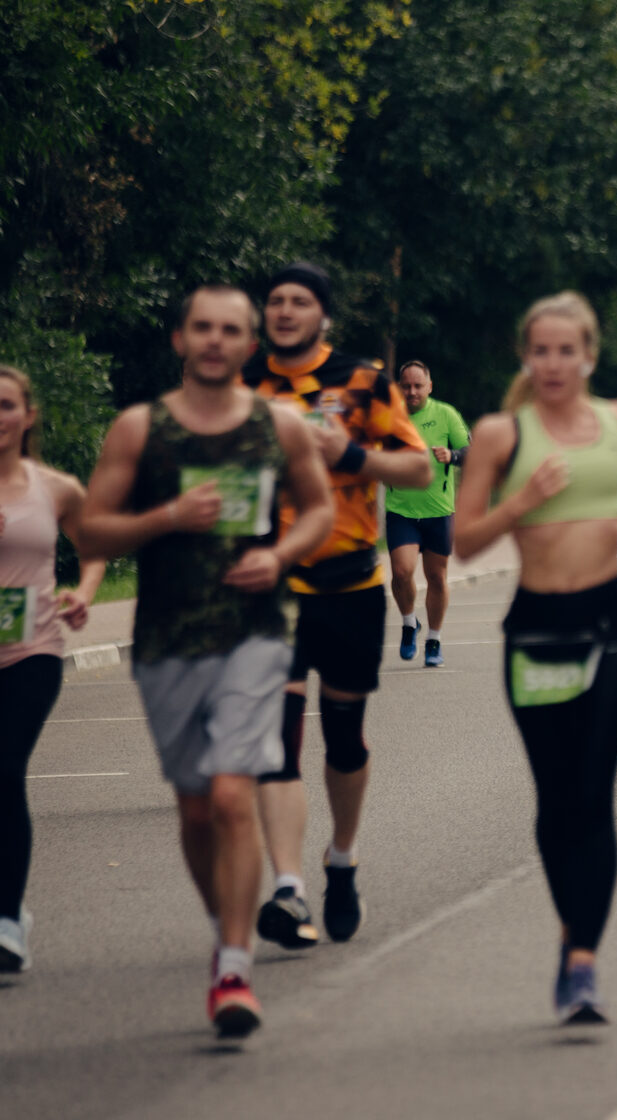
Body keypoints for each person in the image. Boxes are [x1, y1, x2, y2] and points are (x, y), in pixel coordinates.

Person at [80, 286, 334, 1036]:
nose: (216, 341)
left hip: (256, 632)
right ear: (179, 340)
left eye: (231, 330)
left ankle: (233, 964)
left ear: (250, 345)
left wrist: (281, 552)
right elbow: (93, 531)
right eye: (203, 329)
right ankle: (227, 921)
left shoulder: (277, 425)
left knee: (231, 796)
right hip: (165, 641)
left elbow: (320, 509)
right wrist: (165, 518)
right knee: (195, 808)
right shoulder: (140, 429)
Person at [454, 291, 617, 1025]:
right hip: (537, 630)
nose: (552, 363)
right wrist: (523, 502)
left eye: (565, 351)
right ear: (527, 357)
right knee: (557, 802)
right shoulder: (497, 435)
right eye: (539, 351)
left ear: (589, 356)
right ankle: (573, 928)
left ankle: (582, 962)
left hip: (611, 625)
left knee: (594, 792)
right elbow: (465, 541)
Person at [246, 262, 432, 952]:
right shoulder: (243, 386)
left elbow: (417, 467)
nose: (285, 311)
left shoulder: (361, 381)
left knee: (345, 737)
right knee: (281, 732)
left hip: (350, 581)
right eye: (275, 301)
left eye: (300, 302)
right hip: (271, 583)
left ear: (322, 315)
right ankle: (288, 889)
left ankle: (342, 858)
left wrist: (352, 453)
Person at [0, 366, 105, 974]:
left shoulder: (55, 487)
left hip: (32, 649)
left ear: (28, 415)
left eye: (7, 404)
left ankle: (8, 919)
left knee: (5, 768)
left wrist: (85, 591)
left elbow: (94, 546)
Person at [386, 360, 471, 667]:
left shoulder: (446, 414)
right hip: (401, 510)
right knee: (401, 571)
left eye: (418, 386)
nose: (412, 392)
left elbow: (471, 451)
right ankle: (410, 623)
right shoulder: (388, 416)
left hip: (438, 511)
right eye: (406, 386)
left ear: (429, 387)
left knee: (436, 577)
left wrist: (453, 455)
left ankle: (434, 639)